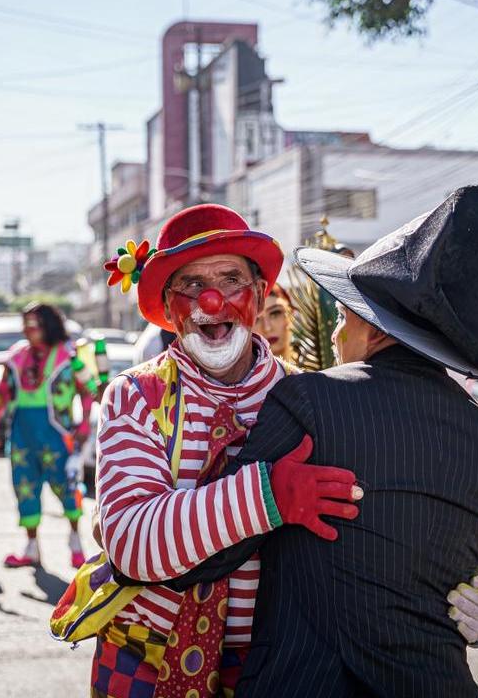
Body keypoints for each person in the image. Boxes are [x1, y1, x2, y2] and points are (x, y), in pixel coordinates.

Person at [160, 186, 478, 697]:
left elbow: (205, 559)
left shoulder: (309, 401)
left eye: (346, 313)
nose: (333, 334)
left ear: (375, 328)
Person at [52, 203, 364, 698]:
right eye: (192, 285)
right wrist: (267, 497)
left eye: (229, 279)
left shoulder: (311, 398)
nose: (212, 300)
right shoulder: (135, 395)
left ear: (260, 296)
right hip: (143, 658)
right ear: (169, 309)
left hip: (274, 667)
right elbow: (132, 544)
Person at [0, 303, 97, 569]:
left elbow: (89, 388)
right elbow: (3, 391)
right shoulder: (17, 356)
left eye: (32, 325)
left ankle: (76, 543)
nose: (26, 330)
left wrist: (83, 425)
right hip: (22, 435)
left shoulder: (69, 356)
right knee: (25, 487)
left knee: (67, 488)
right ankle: (32, 547)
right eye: (24, 324)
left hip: (56, 434)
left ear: (47, 326)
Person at [253, 283, 295, 363]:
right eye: (256, 320)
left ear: (291, 313)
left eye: (275, 313)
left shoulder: (319, 366)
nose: (267, 328)